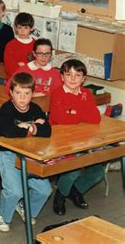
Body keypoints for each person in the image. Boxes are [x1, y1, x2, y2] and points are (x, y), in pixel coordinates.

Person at [0, 72, 52, 232]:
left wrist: (26, 127)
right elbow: (7, 131)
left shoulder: (35, 108)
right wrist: (34, 127)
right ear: (11, 93)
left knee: (45, 190)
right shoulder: (7, 109)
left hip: (29, 153)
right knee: (15, 190)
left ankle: (25, 207)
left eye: (27, 93)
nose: (22, 97)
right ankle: (1, 213)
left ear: (32, 94)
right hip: (7, 153)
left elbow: (47, 130)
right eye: (18, 93)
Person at [49, 59, 102, 216]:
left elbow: (95, 118)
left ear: (83, 79)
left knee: (97, 172)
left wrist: (73, 112)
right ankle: (61, 195)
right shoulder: (58, 93)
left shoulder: (86, 94)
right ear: (62, 77)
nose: (73, 79)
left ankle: (73, 190)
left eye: (77, 75)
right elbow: (60, 119)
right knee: (73, 169)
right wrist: (81, 114)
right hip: (60, 141)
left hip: (84, 139)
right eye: (68, 74)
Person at [3, 12, 36, 80]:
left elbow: (37, 64)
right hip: (14, 80)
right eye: (20, 27)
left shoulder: (36, 45)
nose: (22, 31)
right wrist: (27, 66)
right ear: (15, 28)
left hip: (31, 80)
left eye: (26, 28)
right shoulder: (11, 45)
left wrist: (23, 66)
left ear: (32, 28)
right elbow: (8, 68)